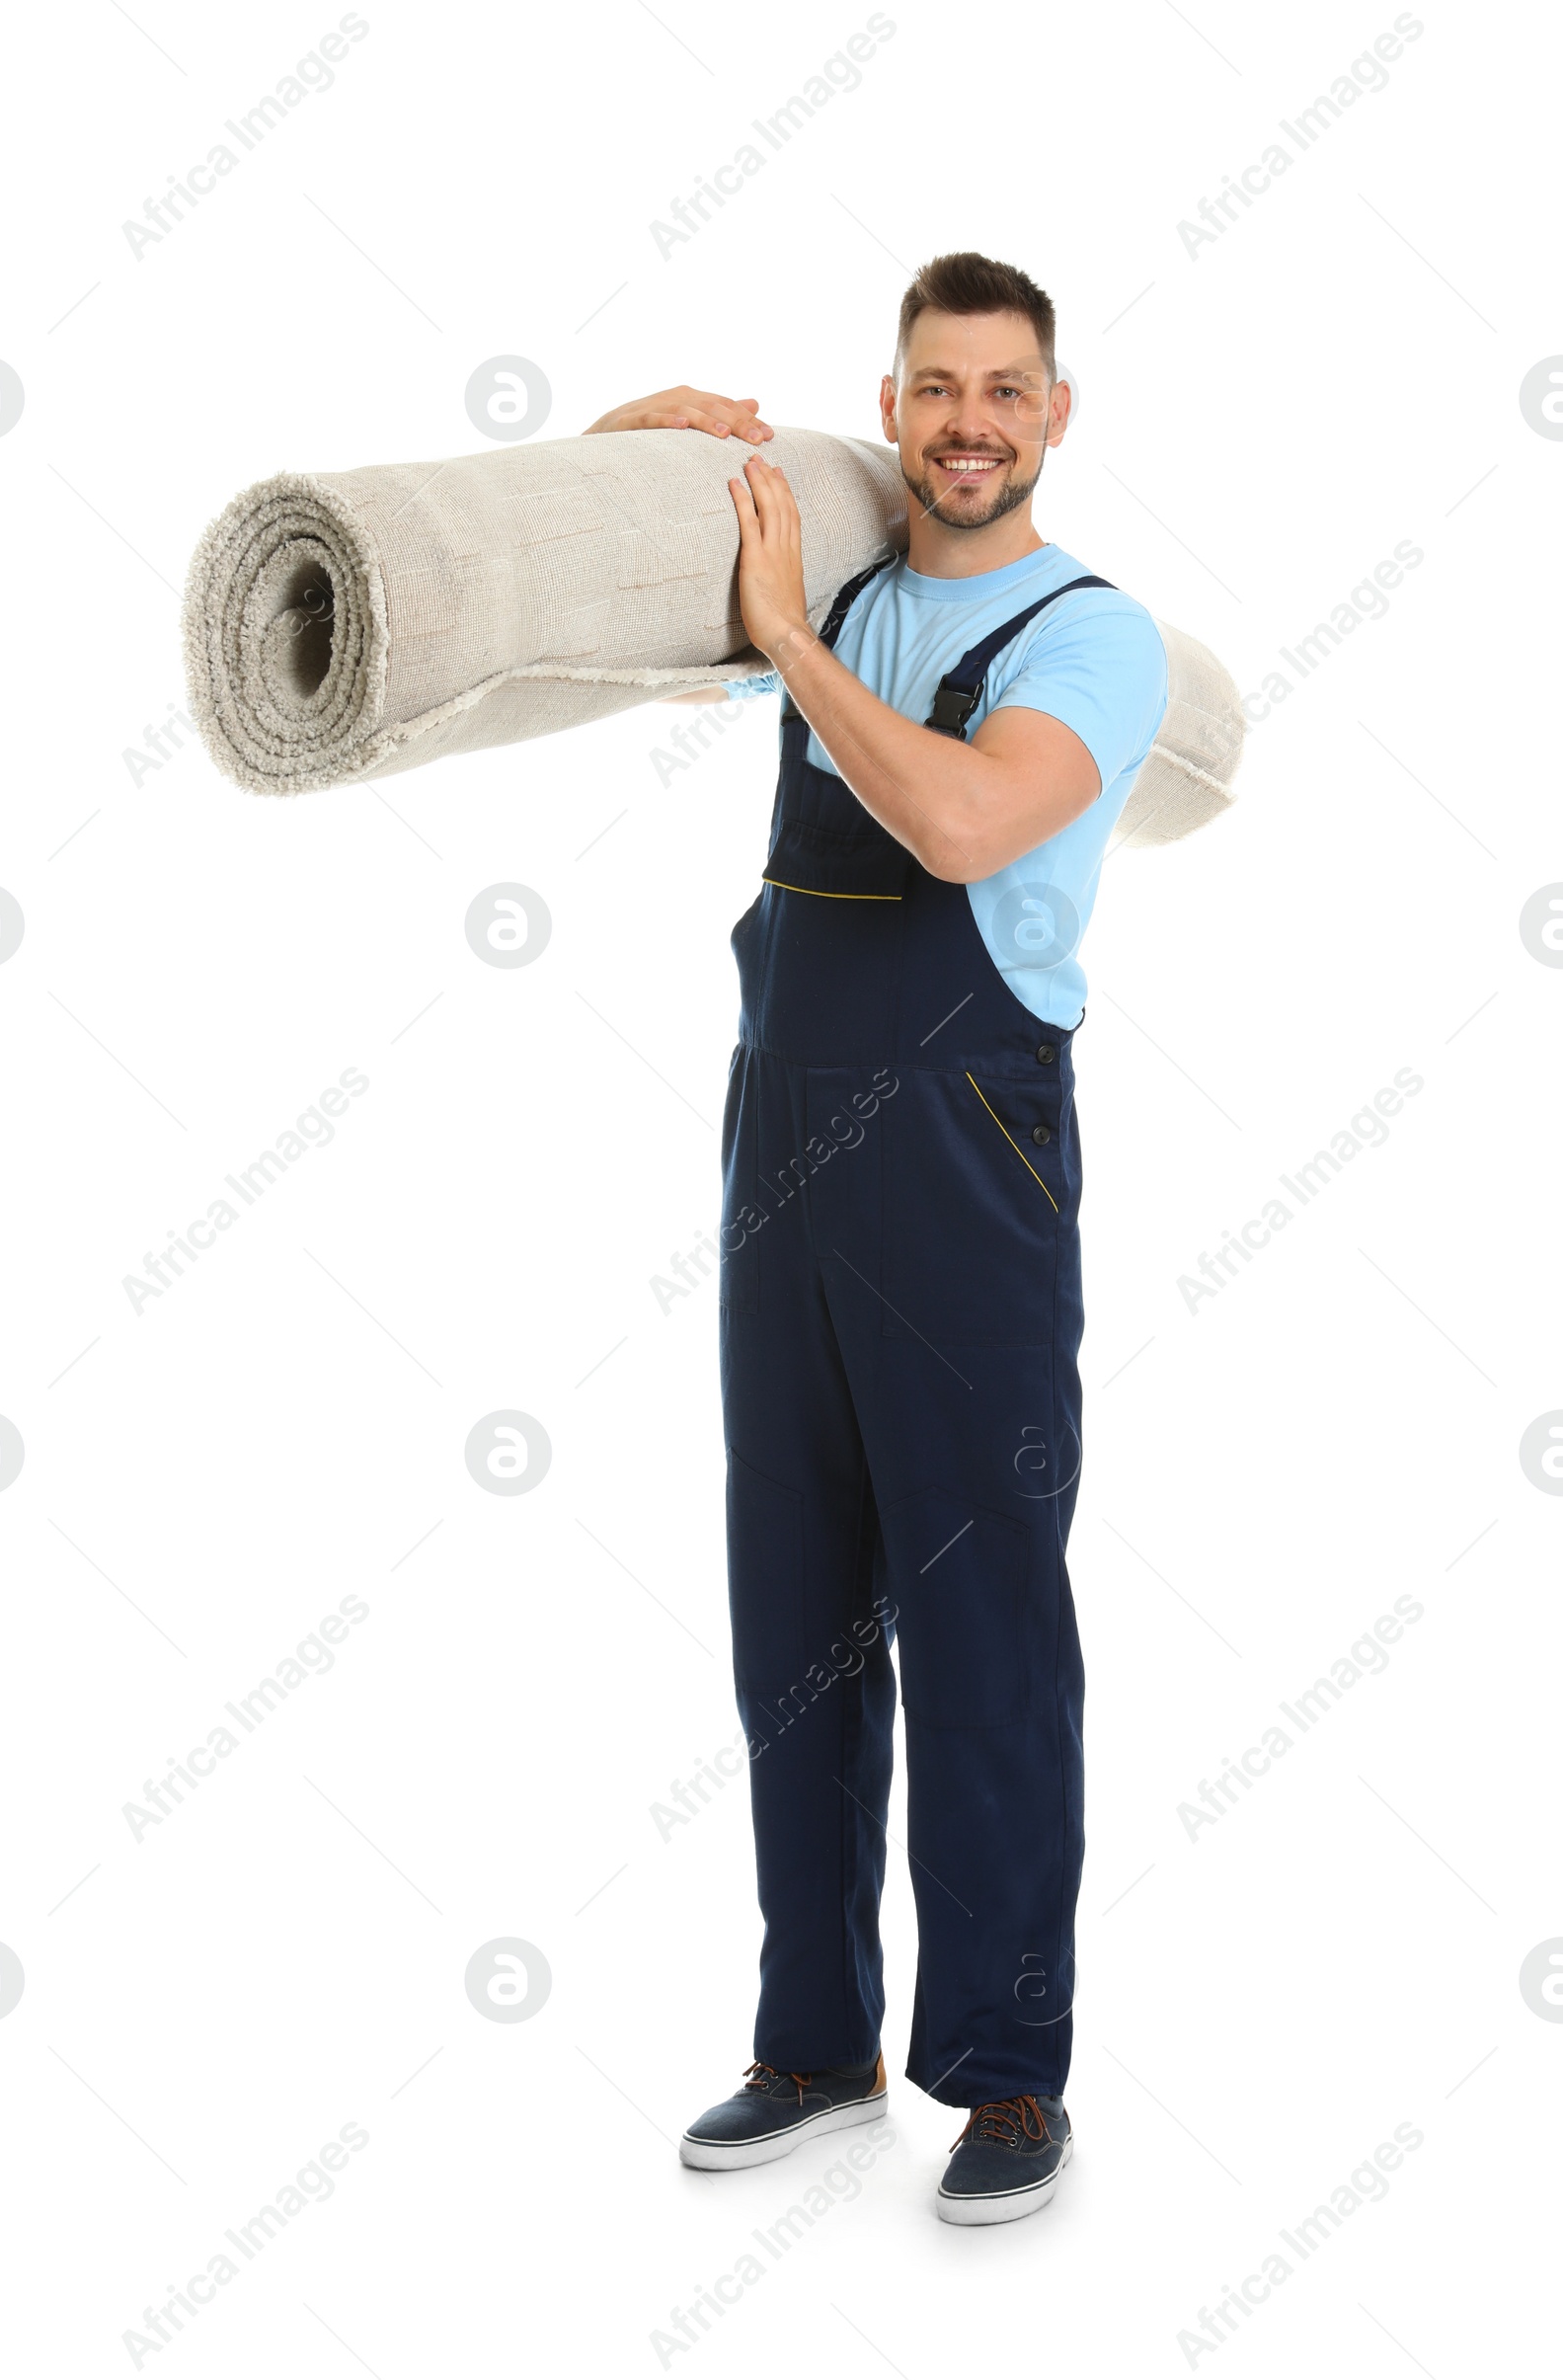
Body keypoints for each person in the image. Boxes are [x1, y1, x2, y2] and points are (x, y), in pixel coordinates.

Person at [585, 252, 1168, 2226]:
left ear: (1052, 412)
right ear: (894, 401)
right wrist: (635, 456)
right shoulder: (835, 581)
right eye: (933, 388)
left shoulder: (1092, 639)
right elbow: (582, 609)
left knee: (978, 1617)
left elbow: (949, 825)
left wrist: (788, 641)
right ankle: (810, 2042)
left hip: (969, 1170)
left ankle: (1004, 2075)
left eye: (1001, 388)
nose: (965, 422)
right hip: (784, 1167)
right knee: (794, 1604)